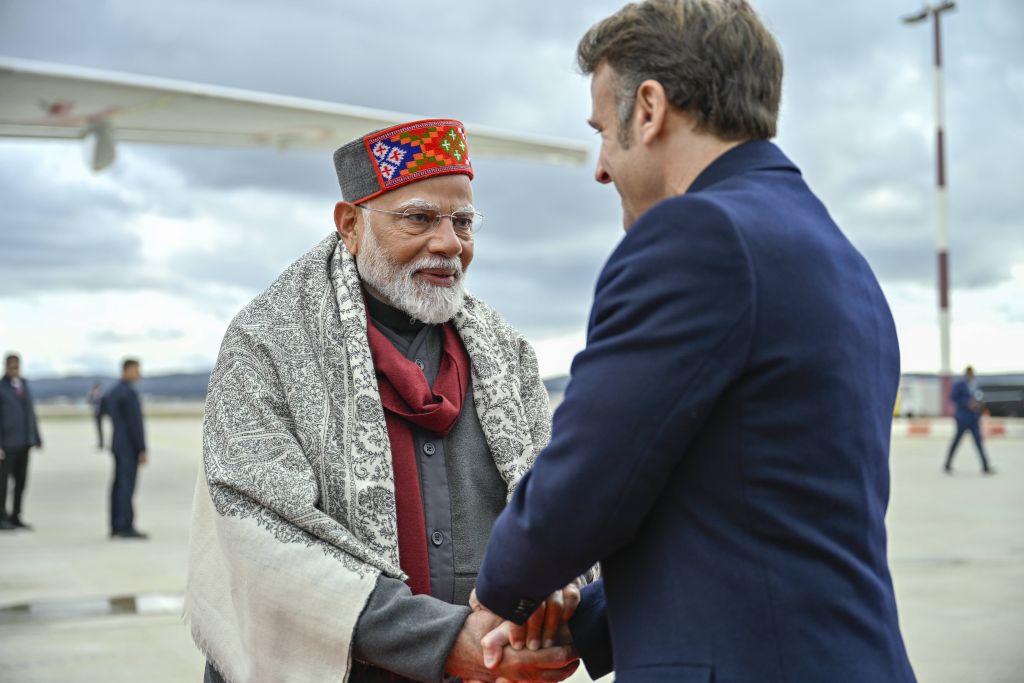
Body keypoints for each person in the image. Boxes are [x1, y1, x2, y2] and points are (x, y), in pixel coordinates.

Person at [472, 2, 918, 681]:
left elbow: (591, 476)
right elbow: (760, 517)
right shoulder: (839, 260)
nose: (598, 167)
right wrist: (583, 624)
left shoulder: (697, 236)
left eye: (602, 131)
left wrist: (498, 593)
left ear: (648, 109)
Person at [185, 118, 585, 683]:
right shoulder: (267, 343)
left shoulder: (506, 351)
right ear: (350, 224)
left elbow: (558, 501)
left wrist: (548, 607)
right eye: (419, 218)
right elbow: (263, 538)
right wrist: (445, 642)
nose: (449, 243)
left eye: (463, 222)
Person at [105, 358, 148, 539]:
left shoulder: (113, 392)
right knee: (126, 486)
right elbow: (135, 424)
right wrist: (142, 448)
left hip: (117, 443)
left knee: (117, 486)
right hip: (129, 446)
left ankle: (116, 525)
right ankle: (125, 526)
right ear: (127, 369)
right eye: (137, 370)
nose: (139, 374)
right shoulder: (128, 393)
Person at [0, 353, 43, 531]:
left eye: (17, 366)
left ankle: (16, 515)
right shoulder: (1, 388)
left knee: (21, 482)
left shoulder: (24, 386)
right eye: (11, 366)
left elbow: (30, 414)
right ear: (5, 367)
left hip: (24, 442)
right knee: (3, 483)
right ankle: (1, 517)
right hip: (7, 444)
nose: (14, 369)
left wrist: (36, 437)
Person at [944, 365, 994, 474]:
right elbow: (953, 398)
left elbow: (980, 397)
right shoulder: (959, 384)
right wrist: (967, 403)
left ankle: (985, 466)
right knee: (956, 441)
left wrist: (978, 404)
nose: (971, 375)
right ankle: (947, 464)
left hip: (973, 418)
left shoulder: (975, 384)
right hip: (963, 418)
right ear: (966, 373)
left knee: (979, 442)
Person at [88, 382, 106, 449]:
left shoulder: (101, 396)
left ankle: (101, 443)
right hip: (95, 413)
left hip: (100, 413)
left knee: (100, 429)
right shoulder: (92, 395)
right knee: (98, 429)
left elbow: (104, 405)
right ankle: (100, 443)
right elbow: (90, 402)